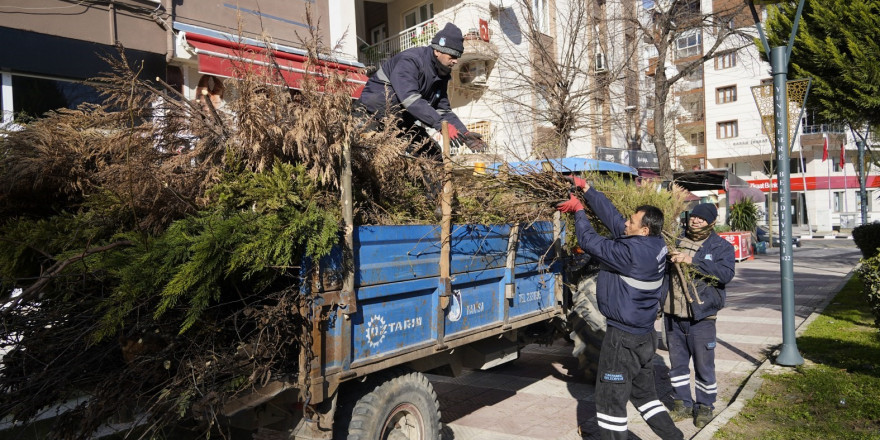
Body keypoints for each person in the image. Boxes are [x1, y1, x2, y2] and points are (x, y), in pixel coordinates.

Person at [557, 178, 683, 440]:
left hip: (623, 341)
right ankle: (676, 437)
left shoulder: (628, 254)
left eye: (632, 222)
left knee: (610, 403)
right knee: (646, 396)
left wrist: (579, 211)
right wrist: (589, 191)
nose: (627, 223)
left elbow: (590, 241)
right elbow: (614, 221)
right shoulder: (656, 245)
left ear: (644, 230)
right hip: (645, 336)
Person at [357, 22, 486, 157]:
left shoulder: (441, 74)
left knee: (432, 155)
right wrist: (440, 125)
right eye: (452, 56)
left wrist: (463, 133)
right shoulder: (410, 61)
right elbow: (411, 99)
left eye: (457, 57)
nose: (455, 61)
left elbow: (443, 110)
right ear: (437, 51)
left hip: (400, 121)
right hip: (370, 115)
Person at [664, 203, 735, 428]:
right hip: (673, 314)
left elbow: (725, 274)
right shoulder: (675, 242)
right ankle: (682, 404)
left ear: (711, 222)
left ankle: (705, 406)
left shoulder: (720, 246)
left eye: (701, 219)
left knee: (704, 365)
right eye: (693, 217)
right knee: (677, 364)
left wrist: (692, 261)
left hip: (701, 316)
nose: (695, 221)